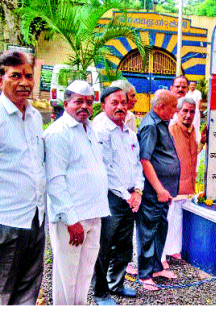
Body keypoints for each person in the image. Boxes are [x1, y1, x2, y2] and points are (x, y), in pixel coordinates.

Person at [44, 80, 110, 305]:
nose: (85, 106)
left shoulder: (90, 128)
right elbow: (55, 180)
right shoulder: (58, 133)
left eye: (89, 102)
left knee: (84, 276)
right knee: (67, 279)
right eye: (79, 101)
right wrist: (71, 221)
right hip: (71, 219)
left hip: (94, 214)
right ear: (66, 103)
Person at [0, 50, 46, 305]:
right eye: (15, 76)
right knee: (3, 291)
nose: (24, 82)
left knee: (29, 289)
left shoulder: (35, 117)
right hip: (5, 221)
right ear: (1, 80)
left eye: (28, 76)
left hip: (35, 218)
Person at [91, 87, 144, 305]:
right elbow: (106, 168)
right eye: (114, 102)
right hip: (111, 197)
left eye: (123, 102)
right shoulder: (100, 132)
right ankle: (100, 292)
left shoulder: (130, 133)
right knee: (104, 245)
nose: (120, 106)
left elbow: (137, 165)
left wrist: (138, 191)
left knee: (124, 244)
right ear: (103, 105)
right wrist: (126, 194)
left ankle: (117, 283)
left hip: (130, 197)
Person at [136, 89, 180, 291]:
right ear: (161, 106)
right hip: (155, 192)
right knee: (148, 231)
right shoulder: (151, 125)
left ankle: (155, 268)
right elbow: (144, 160)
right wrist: (160, 189)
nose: (176, 110)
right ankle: (144, 275)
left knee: (160, 229)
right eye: (173, 107)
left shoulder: (161, 123)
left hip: (164, 193)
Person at [161, 96, 206, 270]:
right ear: (178, 112)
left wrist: (202, 141)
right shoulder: (171, 129)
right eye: (185, 111)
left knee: (177, 221)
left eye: (192, 111)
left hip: (186, 186)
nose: (188, 115)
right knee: (166, 221)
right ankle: (161, 256)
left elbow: (193, 154)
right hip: (171, 186)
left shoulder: (192, 129)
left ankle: (172, 250)